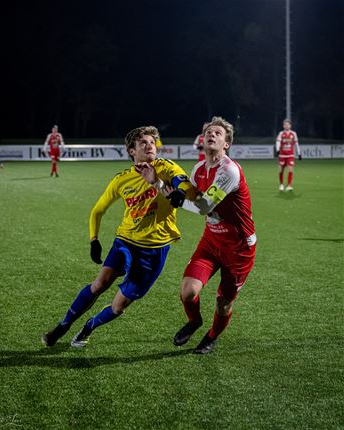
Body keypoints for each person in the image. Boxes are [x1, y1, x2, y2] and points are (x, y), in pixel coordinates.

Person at [42, 125, 194, 349]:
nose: (150, 145)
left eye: (152, 142)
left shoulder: (166, 167)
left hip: (155, 248)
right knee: (100, 283)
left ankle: (89, 326)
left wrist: (180, 190)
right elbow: (97, 210)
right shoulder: (121, 180)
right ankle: (63, 326)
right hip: (126, 241)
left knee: (119, 306)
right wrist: (94, 239)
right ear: (132, 151)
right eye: (143, 142)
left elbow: (185, 185)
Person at [154, 116, 256, 354]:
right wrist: (161, 185)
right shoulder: (198, 169)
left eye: (218, 133)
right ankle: (194, 322)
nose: (211, 134)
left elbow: (203, 207)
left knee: (223, 302)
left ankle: (211, 336)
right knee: (187, 293)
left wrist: (172, 196)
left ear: (226, 144)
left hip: (239, 248)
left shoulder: (229, 170)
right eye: (208, 131)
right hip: (211, 240)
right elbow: (189, 197)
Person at [275, 118, 301, 191]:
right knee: (281, 171)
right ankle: (281, 185)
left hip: (290, 155)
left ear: (290, 126)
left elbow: (296, 144)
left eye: (288, 125)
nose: (286, 126)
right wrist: (277, 150)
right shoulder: (281, 133)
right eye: (285, 125)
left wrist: (299, 153)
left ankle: (289, 185)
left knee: (290, 170)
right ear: (283, 126)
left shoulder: (293, 133)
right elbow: (278, 142)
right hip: (282, 155)